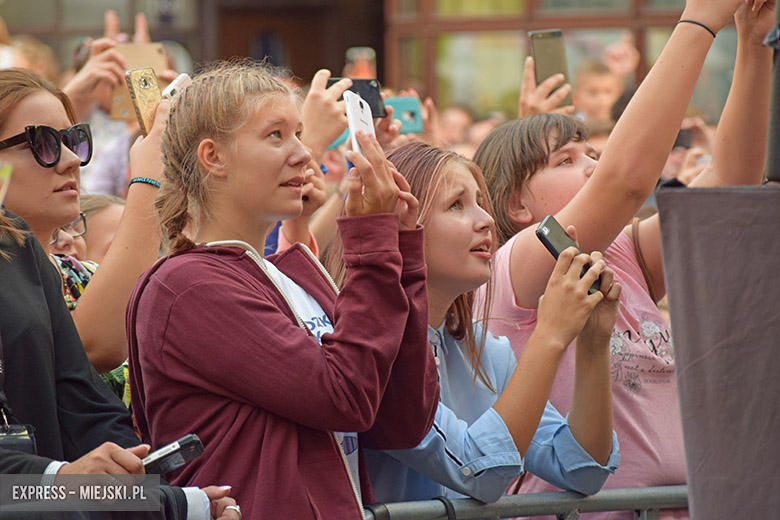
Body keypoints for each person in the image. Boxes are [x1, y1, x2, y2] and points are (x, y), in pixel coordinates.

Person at [472, 0, 772, 517]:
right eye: (565, 160)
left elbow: (730, 182)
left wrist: (751, 44)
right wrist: (699, 19)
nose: (591, 168)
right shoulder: (512, 269)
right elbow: (626, 182)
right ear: (516, 203)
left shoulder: (621, 254)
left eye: (591, 154)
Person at [125, 59, 439, 519]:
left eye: (298, 134)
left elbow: (402, 420)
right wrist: (370, 241)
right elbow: (344, 395)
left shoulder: (291, 273)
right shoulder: (188, 286)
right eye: (276, 136)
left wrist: (404, 253)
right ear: (213, 157)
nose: (303, 155)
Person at [321, 141, 622, 504]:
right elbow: (476, 470)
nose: (487, 220)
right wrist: (550, 334)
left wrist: (593, 342)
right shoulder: (368, 350)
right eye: (456, 205)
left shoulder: (484, 350)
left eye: (481, 202)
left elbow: (582, 467)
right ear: (403, 225)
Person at [0, 209, 240, 520]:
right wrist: (61, 479)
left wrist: (172, 501)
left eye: (77, 154)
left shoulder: (14, 237)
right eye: (41, 155)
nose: (71, 161)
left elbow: (81, 397)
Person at [0, 67, 166, 373]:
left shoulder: (80, 273)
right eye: (40, 142)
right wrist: (148, 181)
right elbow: (89, 350)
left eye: (71, 139)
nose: (72, 160)